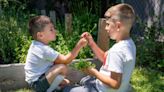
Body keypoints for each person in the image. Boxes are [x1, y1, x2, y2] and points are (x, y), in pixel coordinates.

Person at [63, 3, 136, 92]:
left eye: (108, 24)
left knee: (66, 90)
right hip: (114, 88)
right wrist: (91, 42)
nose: (106, 28)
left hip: (102, 90)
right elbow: (105, 58)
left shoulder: (117, 51)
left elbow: (115, 84)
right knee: (85, 80)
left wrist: (94, 72)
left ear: (118, 26)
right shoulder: (129, 44)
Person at [24, 15, 87, 92]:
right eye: (51, 30)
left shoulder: (36, 45)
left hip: (36, 81)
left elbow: (56, 61)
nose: (55, 31)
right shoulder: (43, 49)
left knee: (64, 78)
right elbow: (65, 60)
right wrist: (79, 46)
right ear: (40, 35)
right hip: (37, 84)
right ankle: (49, 90)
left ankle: (54, 87)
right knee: (62, 67)